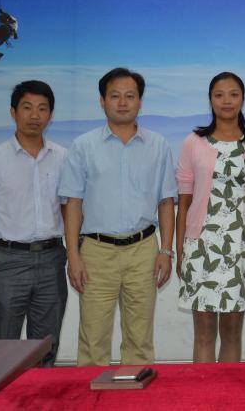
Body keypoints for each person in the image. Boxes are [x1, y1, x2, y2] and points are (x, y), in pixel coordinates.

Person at [59, 67, 177, 366]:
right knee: (93, 339)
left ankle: (136, 391)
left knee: (139, 340)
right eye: (115, 96)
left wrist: (166, 251)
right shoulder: (83, 146)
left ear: (140, 101)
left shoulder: (158, 145)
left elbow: (166, 202)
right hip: (96, 252)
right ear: (102, 101)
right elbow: (73, 204)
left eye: (130, 96)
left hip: (144, 251)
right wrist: (73, 255)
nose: (122, 103)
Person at [0, 80, 67, 366]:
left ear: (50, 114)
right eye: (27, 108)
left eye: (42, 109)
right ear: (13, 112)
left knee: (46, 344)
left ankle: (42, 391)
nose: (35, 115)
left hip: (52, 259)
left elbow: (68, 206)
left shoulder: (62, 157)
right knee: (3, 344)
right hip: (9, 260)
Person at [175, 72, 245, 363]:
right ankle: (203, 389)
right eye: (219, 94)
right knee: (203, 333)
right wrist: (180, 249)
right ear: (210, 100)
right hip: (200, 247)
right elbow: (184, 201)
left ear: (242, 99)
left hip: (240, 249)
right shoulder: (194, 142)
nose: (226, 101)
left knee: (232, 332)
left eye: (233, 94)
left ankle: (228, 389)